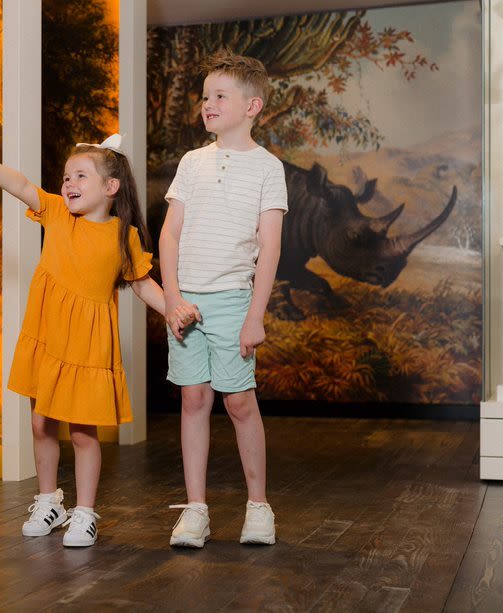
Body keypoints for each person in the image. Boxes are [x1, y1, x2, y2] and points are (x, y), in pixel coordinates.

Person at [0, 133, 195, 547]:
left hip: (87, 346)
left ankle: (85, 513)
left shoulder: (123, 236)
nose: (68, 183)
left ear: (111, 187)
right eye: (66, 176)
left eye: (80, 175)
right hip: (47, 336)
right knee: (41, 423)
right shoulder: (58, 213)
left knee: (82, 432)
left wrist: (172, 308)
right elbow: (22, 185)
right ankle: (48, 502)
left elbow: (143, 284)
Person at [161, 50, 288, 548]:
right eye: (205, 96)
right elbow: (170, 235)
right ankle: (196, 510)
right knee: (194, 399)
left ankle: (258, 507)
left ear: (251, 106)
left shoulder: (267, 168)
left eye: (220, 96)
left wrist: (255, 315)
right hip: (187, 300)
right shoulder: (192, 163)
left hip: (235, 299)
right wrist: (172, 297)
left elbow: (270, 244)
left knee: (238, 402)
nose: (207, 104)